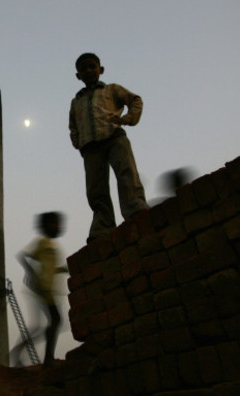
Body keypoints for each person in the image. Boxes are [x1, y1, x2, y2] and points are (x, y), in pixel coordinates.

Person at [69, 52, 149, 242]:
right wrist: (78, 142)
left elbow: (135, 100)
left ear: (101, 70)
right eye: (83, 69)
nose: (88, 70)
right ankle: (102, 227)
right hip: (90, 147)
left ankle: (135, 208)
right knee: (96, 189)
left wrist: (128, 119)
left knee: (126, 173)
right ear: (78, 76)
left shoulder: (111, 90)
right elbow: (73, 126)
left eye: (92, 66)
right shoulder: (76, 101)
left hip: (114, 137)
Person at [11, 212, 68, 367]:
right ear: (45, 226)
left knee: (43, 324)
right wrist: (32, 275)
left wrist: (62, 270)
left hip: (46, 290)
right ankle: (47, 358)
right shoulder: (43, 243)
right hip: (43, 289)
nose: (58, 227)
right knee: (55, 321)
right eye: (54, 223)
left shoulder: (50, 245)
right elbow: (22, 256)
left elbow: (49, 268)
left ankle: (19, 351)